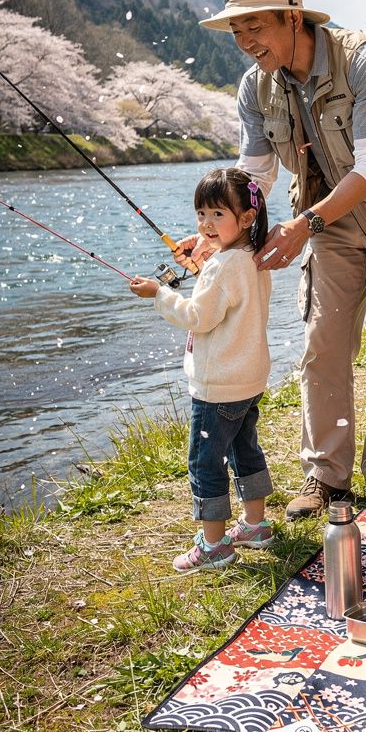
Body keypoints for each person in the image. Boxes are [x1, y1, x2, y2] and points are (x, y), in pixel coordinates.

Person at [197, 0, 366, 520]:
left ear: (293, 17)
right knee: (322, 345)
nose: (246, 42)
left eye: (256, 26)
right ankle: (327, 475)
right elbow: (255, 174)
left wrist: (303, 225)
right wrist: (220, 232)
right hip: (330, 218)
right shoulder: (255, 86)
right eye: (236, 31)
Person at [130, 168, 274, 573]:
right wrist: (200, 266)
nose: (206, 224)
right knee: (244, 449)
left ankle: (214, 547)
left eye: (217, 214)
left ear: (246, 217)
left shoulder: (223, 266)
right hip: (248, 379)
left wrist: (159, 293)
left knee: (206, 463)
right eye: (201, 214)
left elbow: (198, 316)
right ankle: (255, 525)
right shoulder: (254, 256)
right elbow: (227, 300)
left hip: (218, 386)